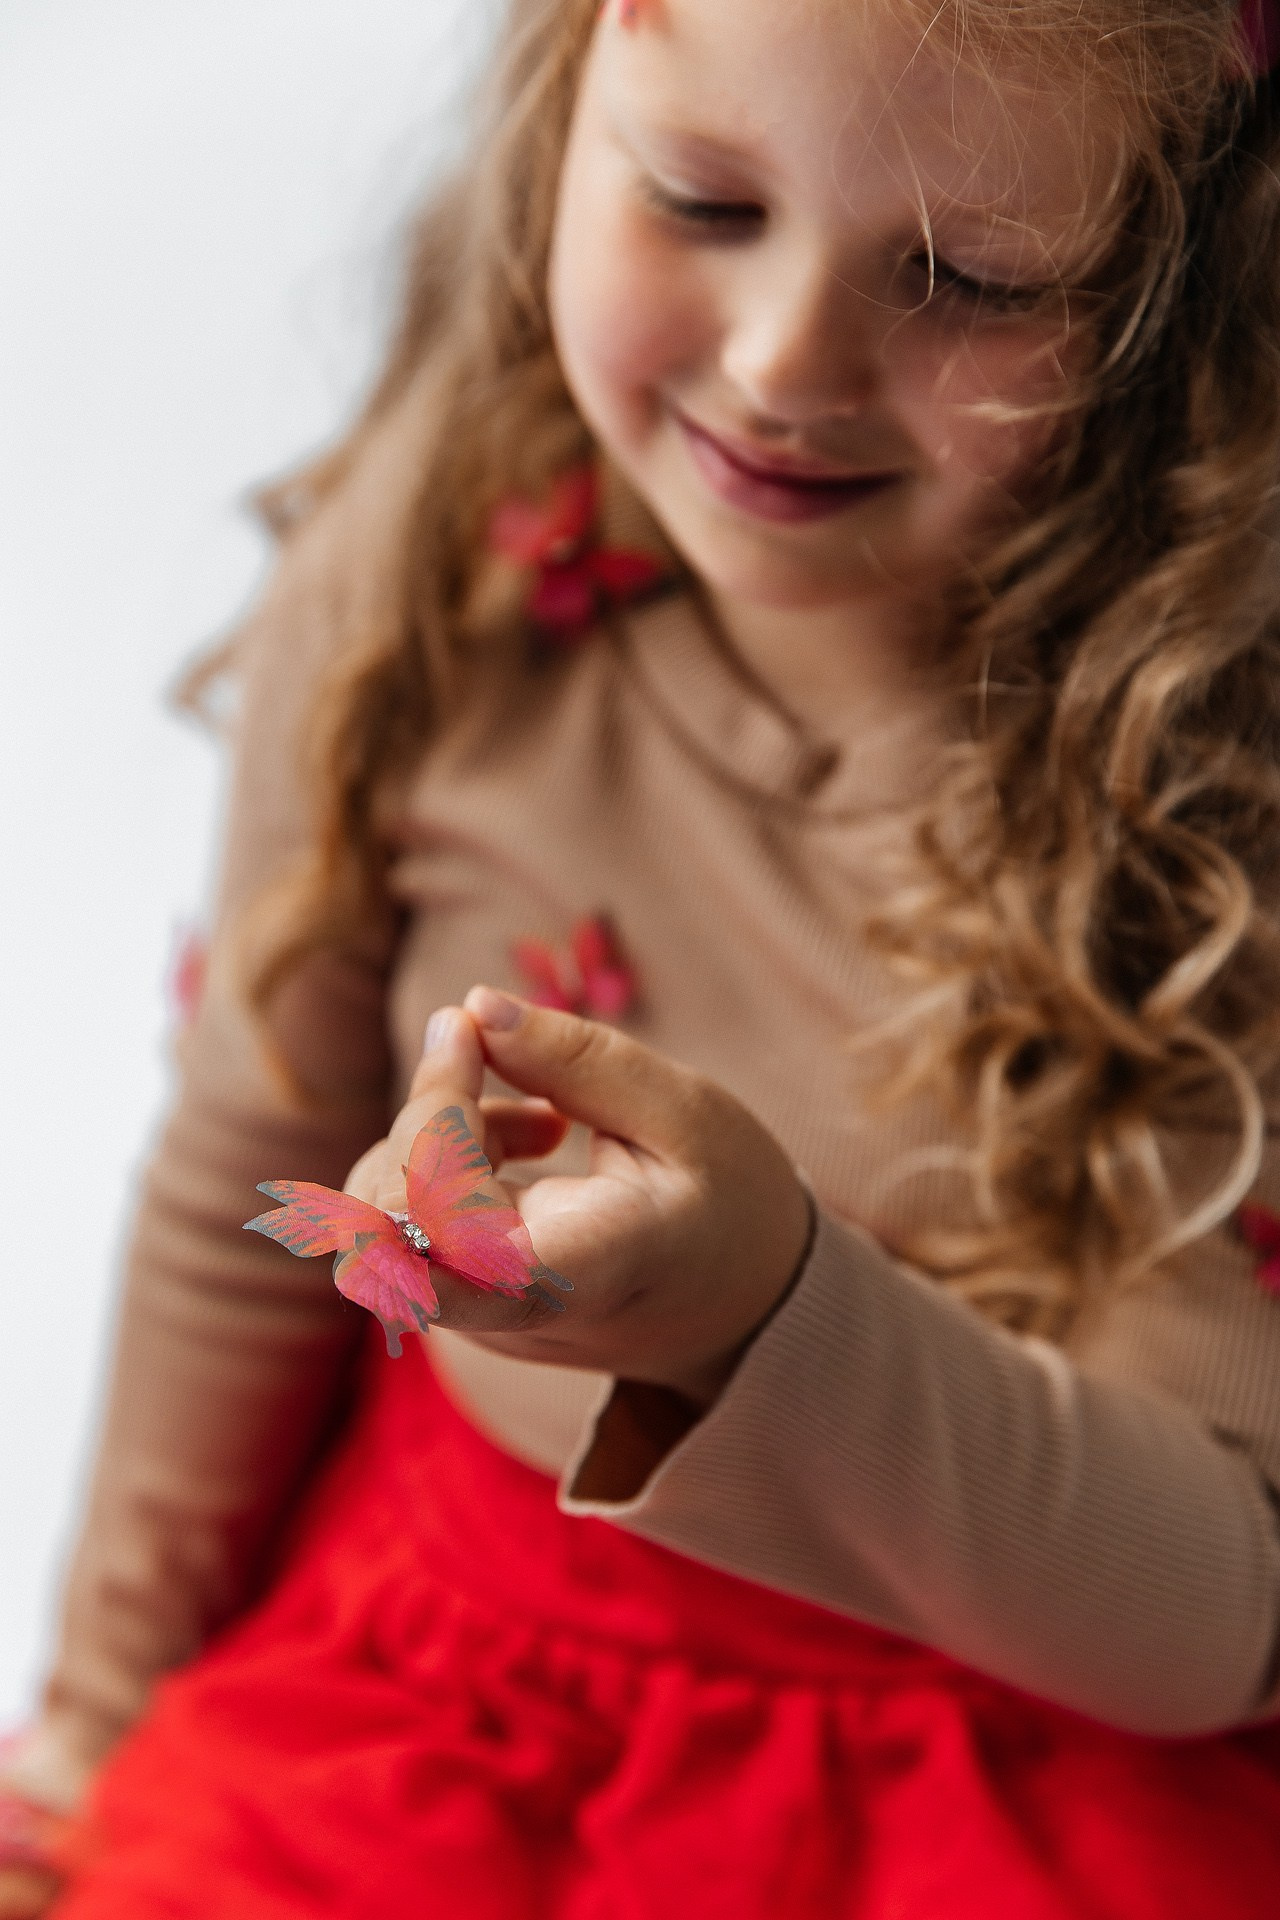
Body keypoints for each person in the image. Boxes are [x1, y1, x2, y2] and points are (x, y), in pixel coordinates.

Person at [5, 0, 1280, 1911]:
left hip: (1000, 1753)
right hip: (443, 1692)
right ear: (564, 99)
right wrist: (90, 1741)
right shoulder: (437, 571)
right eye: (700, 200)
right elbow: (237, 1208)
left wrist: (757, 1318)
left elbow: (1215, 1627)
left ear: (1195, 278)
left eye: (963, 276)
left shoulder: (1199, 785)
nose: (782, 365)